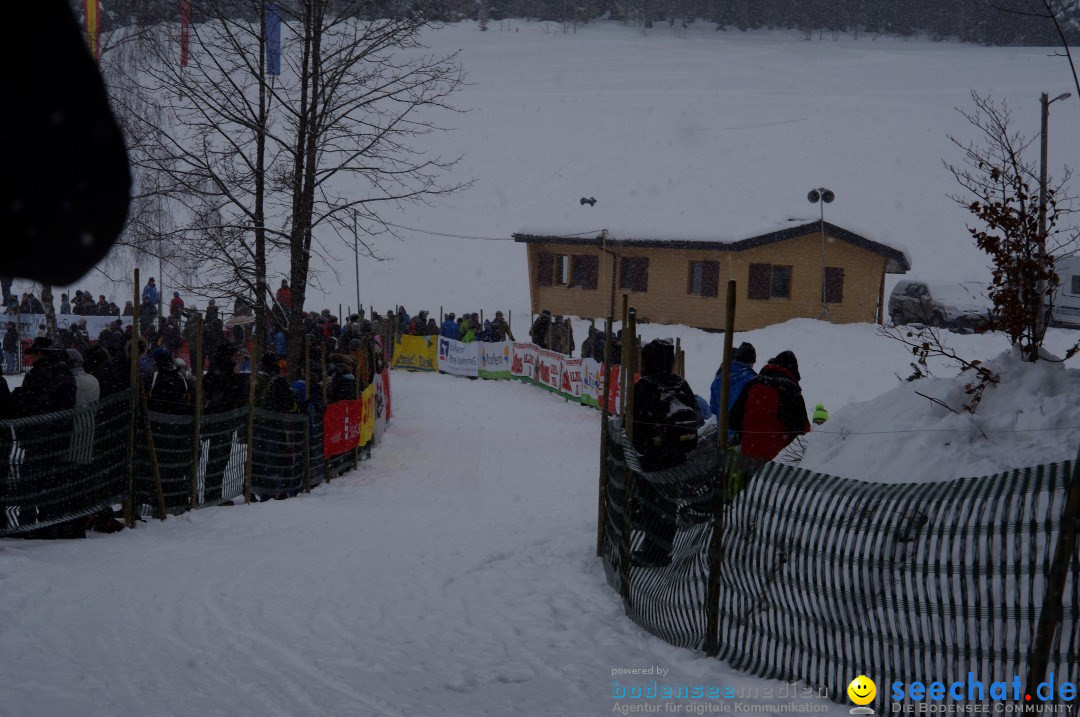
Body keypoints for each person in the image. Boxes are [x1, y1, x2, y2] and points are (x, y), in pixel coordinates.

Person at [630, 338, 703, 568]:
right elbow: (697, 414)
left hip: (653, 455)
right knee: (668, 505)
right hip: (678, 455)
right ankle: (663, 548)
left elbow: (634, 421)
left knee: (652, 504)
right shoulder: (681, 384)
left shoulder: (645, 385)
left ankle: (654, 552)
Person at [730, 350, 811, 462]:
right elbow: (803, 432)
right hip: (777, 463)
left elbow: (733, 419)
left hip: (748, 457)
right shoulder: (789, 390)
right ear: (793, 372)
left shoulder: (751, 384)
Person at [709, 342, 757, 420]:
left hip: (723, 429)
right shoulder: (752, 380)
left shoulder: (719, 377)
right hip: (742, 429)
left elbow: (713, 409)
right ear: (751, 361)